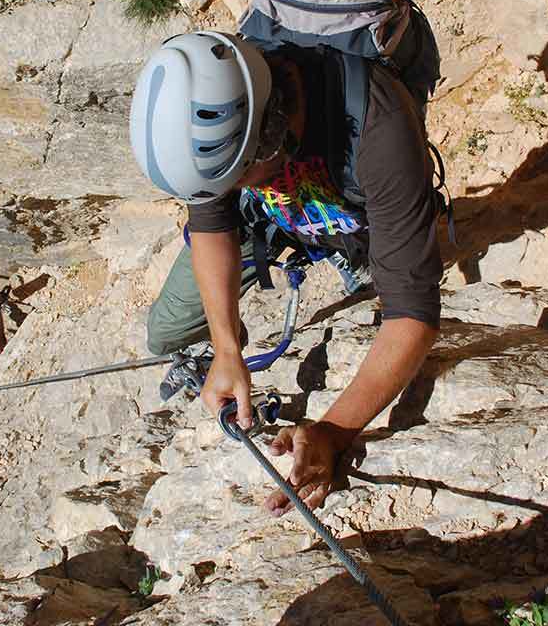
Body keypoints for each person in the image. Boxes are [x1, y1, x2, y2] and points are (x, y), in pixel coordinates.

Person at [129, 28, 442, 517]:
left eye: (234, 181)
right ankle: (312, 234)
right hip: (275, 220)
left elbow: (414, 317)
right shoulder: (230, 97)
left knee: (394, 271)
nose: (224, 193)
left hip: (347, 212)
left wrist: (335, 432)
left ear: (272, 141)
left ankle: (347, 246)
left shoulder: (380, 129)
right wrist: (227, 349)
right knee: (165, 331)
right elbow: (212, 224)